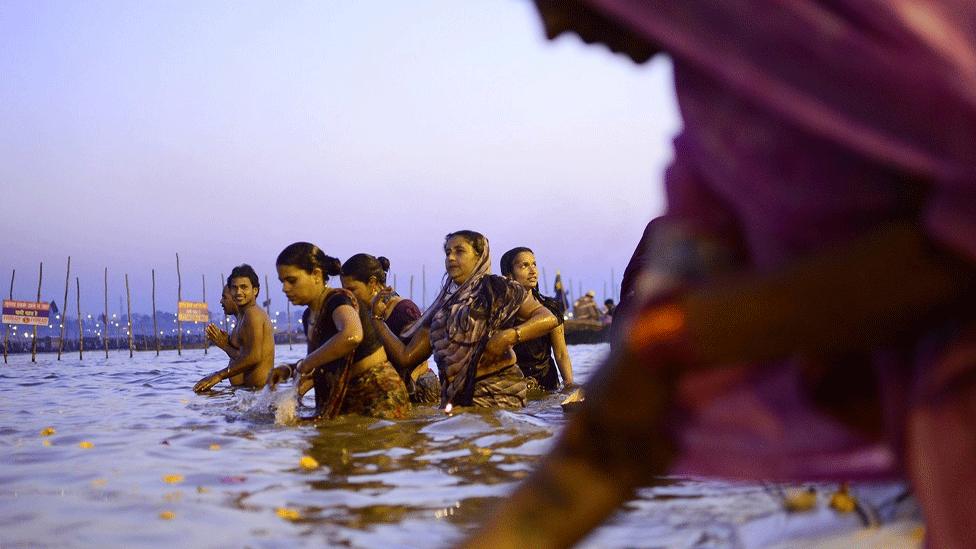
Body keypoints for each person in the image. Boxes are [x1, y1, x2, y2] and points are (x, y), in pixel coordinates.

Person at [462, 2, 976, 548]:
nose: (553, 28)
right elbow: (632, 402)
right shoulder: (722, 140)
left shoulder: (884, 29)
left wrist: (678, 336)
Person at [371, 230, 558, 408]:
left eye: (459, 251)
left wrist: (509, 336)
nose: (451, 257)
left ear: (479, 257)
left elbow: (548, 318)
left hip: (501, 401)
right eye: (447, 252)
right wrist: (377, 319)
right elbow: (406, 357)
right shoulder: (442, 308)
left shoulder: (498, 288)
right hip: (457, 405)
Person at [270, 242, 409, 420]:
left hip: (377, 394)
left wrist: (306, 364)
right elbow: (324, 361)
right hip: (349, 397)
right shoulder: (309, 316)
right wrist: (288, 369)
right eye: (282, 282)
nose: (285, 288)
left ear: (316, 275)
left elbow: (352, 335)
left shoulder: (339, 300)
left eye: (292, 280)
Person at [339, 253, 439, 405]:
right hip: (389, 394)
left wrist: (377, 321)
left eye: (352, 289)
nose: (349, 296)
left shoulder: (403, 310)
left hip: (419, 395)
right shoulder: (364, 313)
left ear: (372, 283)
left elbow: (413, 358)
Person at [499, 247, 574, 391]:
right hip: (512, 386)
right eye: (524, 266)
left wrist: (569, 384)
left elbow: (561, 353)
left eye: (534, 264)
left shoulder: (550, 308)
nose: (533, 271)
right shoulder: (500, 312)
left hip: (546, 385)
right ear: (509, 275)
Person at [193, 265, 275, 392]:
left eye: (244, 287)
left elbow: (254, 357)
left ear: (255, 290)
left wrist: (218, 375)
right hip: (247, 394)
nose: (238, 292)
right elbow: (244, 356)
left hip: (258, 394)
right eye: (234, 288)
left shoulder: (253, 314)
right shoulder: (243, 319)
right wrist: (226, 345)